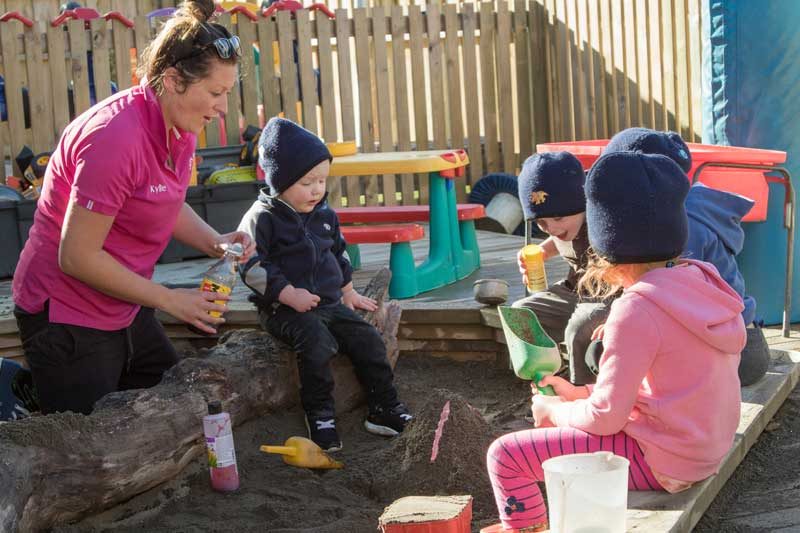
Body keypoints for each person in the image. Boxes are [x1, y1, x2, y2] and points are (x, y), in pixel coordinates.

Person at [11, 0, 255, 416]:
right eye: (215, 93)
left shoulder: (180, 126)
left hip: (122, 304)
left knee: (175, 410)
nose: (223, 109)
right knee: (91, 450)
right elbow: (76, 257)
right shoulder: (115, 138)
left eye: (227, 94)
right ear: (175, 80)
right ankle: (34, 392)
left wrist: (215, 243)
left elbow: (164, 201)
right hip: (66, 312)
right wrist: (170, 300)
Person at [482, 151, 745, 533]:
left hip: (664, 462)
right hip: (703, 447)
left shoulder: (635, 309)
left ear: (606, 244)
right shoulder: (701, 280)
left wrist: (554, 411)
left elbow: (606, 419)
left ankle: (524, 527)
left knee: (505, 455)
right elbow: (663, 387)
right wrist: (575, 394)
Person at [237, 117, 412, 452]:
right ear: (280, 180)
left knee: (367, 339)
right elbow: (251, 266)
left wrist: (349, 292)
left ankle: (384, 407)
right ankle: (321, 416)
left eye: (321, 181)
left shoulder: (323, 213)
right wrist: (288, 294)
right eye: (307, 182)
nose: (317, 190)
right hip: (283, 309)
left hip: (329, 303)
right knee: (317, 344)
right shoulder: (261, 218)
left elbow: (337, 254)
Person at [603, 127, 770, 386]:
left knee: (613, 358)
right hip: (739, 340)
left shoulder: (680, 227)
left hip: (734, 355)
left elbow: (668, 299)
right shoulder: (688, 208)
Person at [513, 152, 611, 385]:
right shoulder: (563, 224)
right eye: (541, 222)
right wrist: (544, 251)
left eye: (558, 218)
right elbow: (559, 238)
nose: (551, 228)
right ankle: (547, 382)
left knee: (579, 329)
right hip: (576, 290)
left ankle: (583, 396)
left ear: (583, 204)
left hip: (612, 297)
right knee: (522, 314)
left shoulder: (604, 220)